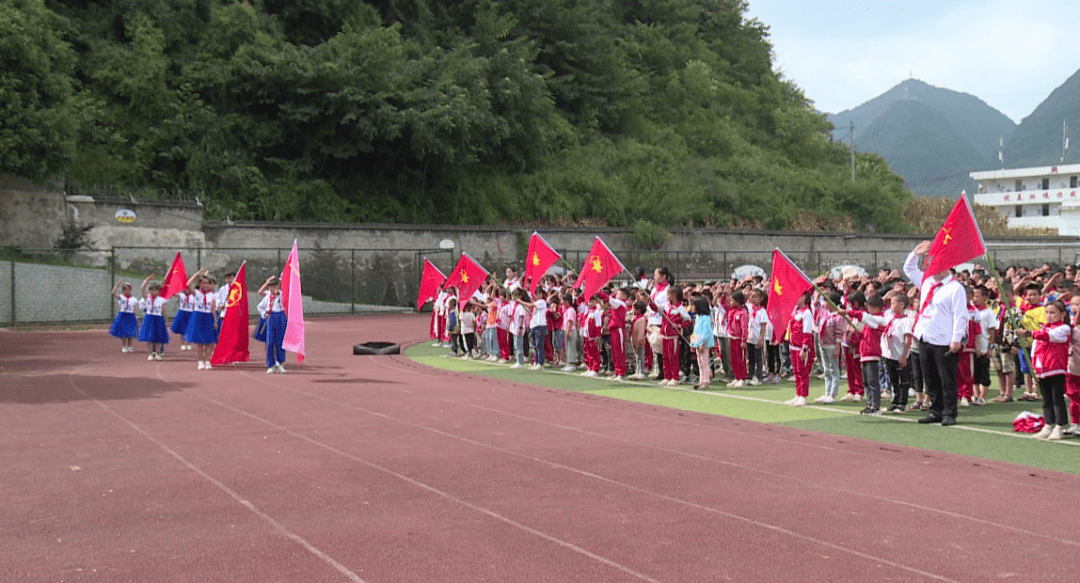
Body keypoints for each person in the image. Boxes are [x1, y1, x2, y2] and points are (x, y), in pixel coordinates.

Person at [905, 240, 969, 427]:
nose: (931, 266)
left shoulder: (955, 288)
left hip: (944, 340)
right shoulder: (926, 282)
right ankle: (936, 410)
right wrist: (916, 253)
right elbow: (909, 269)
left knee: (946, 379)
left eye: (935, 262)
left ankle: (949, 412)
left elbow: (960, 316)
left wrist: (956, 339)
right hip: (925, 336)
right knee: (930, 378)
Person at [1016, 300, 1070, 440]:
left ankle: (1060, 426)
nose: (1049, 315)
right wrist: (1034, 370)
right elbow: (1035, 350)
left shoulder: (1064, 328)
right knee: (1046, 399)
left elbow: (1050, 337)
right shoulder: (1042, 328)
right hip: (1042, 369)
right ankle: (1048, 424)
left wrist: (1028, 333)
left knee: (1057, 399)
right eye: (1047, 312)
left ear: (1062, 314)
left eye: (1053, 313)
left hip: (1056, 368)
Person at [845, 293, 887, 415]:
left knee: (873, 382)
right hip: (865, 353)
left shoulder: (878, 319)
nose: (868, 309)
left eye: (871, 307)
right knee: (867, 382)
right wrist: (860, 334)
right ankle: (870, 404)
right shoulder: (872, 320)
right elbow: (867, 333)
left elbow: (862, 316)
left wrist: (847, 312)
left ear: (878, 308)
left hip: (872, 353)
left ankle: (875, 406)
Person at [882, 294, 913, 413]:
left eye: (894, 303)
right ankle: (895, 400)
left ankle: (902, 403)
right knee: (893, 380)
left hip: (900, 355)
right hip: (890, 355)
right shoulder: (891, 317)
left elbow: (907, 340)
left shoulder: (906, 320)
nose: (891, 305)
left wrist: (904, 356)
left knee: (903, 381)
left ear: (902, 304)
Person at [183, 269, 219, 370]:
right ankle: (200, 361)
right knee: (199, 342)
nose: (206, 285)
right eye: (203, 283)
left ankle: (207, 360)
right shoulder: (196, 293)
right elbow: (188, 284)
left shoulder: (212, 295)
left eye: (207, 283)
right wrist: (196, 274)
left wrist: (215, 320)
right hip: (198, 316)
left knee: (208, 342)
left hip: (208, 317)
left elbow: (213, 308)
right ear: (199, 284)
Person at [785, 291, 815, 406]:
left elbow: (807, 332)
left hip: (801, 348)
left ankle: (803, 396)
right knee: (796, 371)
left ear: (804, 297)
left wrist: (805, 348)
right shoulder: (796, 310)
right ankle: (798, 394)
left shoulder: (807, 313)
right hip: (793, 346)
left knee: (803, 372)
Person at [815, 292, 844, 404]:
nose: (824, 303)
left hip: (832, 346)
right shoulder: (825, 313)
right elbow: (816, 306)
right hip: (823, 344)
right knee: (827, 369)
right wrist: (817, 296)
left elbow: (838, 333)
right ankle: (827, 392)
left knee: (834, 370)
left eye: (826, 300)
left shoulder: (838, 317)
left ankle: (833, 394)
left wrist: (837, 347)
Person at [599, 289, 630, 381]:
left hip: (618, 328)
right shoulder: (617, 302)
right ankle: (617, 372)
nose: (616, 293)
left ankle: (621, 372)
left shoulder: (620, 303)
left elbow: (607, 298)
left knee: (619, 351)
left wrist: (597, 292)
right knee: (615, 352)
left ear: (624, 296)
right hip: (613, 329)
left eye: (619, 293)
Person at [258, 277, 288, 373]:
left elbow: (287, 302)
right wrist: (264, 314)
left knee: (280, 342)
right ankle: (271, 364)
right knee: (270, 342)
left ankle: (280, 364)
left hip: (281, 316)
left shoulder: (282, 295)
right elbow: (260, 306)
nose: (272, 289)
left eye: (274, 287)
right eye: (270, 287)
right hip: (271, 317)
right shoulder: (268, 297)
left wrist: (279, 294)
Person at [137, 274, 169, 360]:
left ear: (158, 291)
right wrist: (148, 279)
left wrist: (166, 321)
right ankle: (150, 354)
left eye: (155, 290)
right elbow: (143, 288)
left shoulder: (161, 299)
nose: (153, 291)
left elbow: (164, 311)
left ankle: (158, 353)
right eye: (151, 290)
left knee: (158, 338)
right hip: (149, 318)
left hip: (158, 318)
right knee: (149, 338)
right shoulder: (147, 298)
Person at [690, 295, 715, 390]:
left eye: (693, 305)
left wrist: (702, 344)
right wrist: (693, 343)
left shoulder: (706, 318)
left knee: (704, 362)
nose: (692, 307)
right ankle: (701, 380)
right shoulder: (698, 317)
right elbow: (695, 331)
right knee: (700, 362)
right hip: (698, 343)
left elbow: (706, 332)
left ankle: (706, 381)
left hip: (703, 344)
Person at [109, 279, 140, 353]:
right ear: (123, 290)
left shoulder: (133, 299)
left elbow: (134, 307)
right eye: (125, 289)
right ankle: (124, 346)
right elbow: (113, 292)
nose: (127, 291)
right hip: (123, 315)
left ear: (131, 290)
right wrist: (117, 284)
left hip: (131, 315)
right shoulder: (121, 297)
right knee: (123, 332)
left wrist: (136, 315)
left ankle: (129, 346)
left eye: (128, 289)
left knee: (130, 332)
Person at [726, 290, 749, 388]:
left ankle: (742, 378)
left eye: (732, 300)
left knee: (740, 359)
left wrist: (744, 340)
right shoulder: (732, 312)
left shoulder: (743, 314)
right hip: (732, 338)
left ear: (738, 301)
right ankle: (736, 377)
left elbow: (744, 328)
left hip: (739, 339)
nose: (730, 303)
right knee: (733, 359)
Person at [170, 286, 195, 351]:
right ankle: (183, 344)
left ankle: (189, 343)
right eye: (184, 289)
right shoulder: (181, 295)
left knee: (189, 328)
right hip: (182, 312)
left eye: (187, 288)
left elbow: (194, 305)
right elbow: (173, 293)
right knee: (182, 329)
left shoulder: (193, 296)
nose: (185, 290)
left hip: (190, 312)